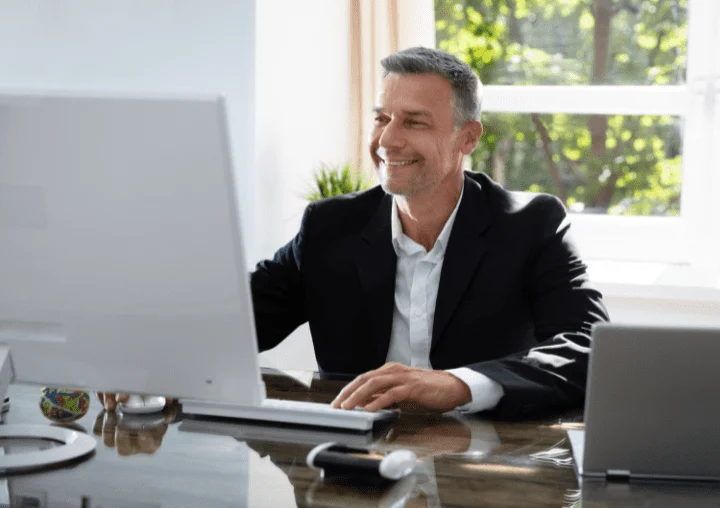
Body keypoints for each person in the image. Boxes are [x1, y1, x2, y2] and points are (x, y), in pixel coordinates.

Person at [100, 47, 608, 417]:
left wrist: (460, 384)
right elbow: (237, 318)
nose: (388, 139)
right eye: (382, 118)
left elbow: (590, 348)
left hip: (484, 463)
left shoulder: (531, 223)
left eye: (414, 122)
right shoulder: (329, 227)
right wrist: (156, 362)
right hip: (351, 459)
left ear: (467, 137)